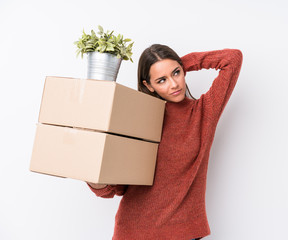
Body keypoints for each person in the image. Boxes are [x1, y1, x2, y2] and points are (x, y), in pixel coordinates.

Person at [87, 44, 243, 240]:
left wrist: (184, 62)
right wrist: (92, 173)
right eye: (162, 80)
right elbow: (117, 189)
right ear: (149, 85)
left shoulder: (203, 113)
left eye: (176, 73)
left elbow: (232, 59)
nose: (174, 84)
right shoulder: (138, 118)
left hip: (183, 233)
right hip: (133, 232)